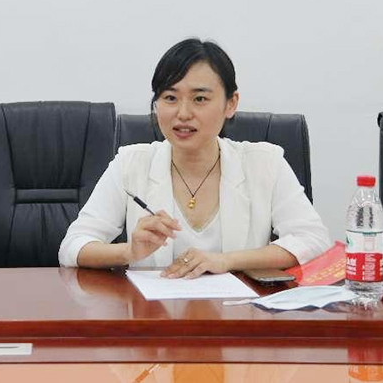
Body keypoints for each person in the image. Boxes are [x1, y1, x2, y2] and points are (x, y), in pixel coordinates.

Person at [58, 39, 330, 278]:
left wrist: (226, 261)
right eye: (170, 98)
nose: (183, 113)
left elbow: (313, 239)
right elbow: (72, 247)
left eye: (199, 99)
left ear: (231, 103)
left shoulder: (265, 163)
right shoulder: (131, 163)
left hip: (239, 314)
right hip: (153, 315)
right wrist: (129, 251)